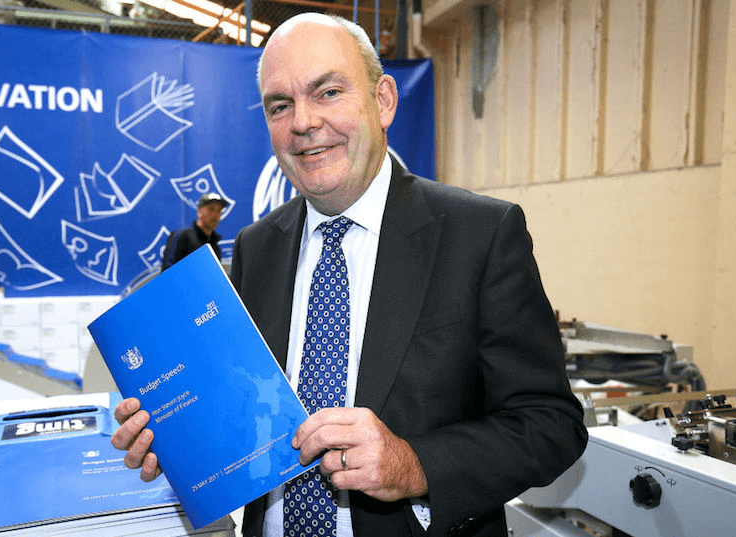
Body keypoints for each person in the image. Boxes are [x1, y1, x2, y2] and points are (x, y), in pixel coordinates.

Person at [112, 13, 587, 537]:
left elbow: (551, 425)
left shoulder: (481, 234)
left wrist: (416, 465)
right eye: (280, 105)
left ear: (383, 100)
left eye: (328, 92)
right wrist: (177, 440)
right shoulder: (255, 248)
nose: (304, 122)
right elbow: (246, 414)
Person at [161, 192, 228, 269]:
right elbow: (167, 272)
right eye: (211, 209)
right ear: (199, 211)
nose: (215, 215)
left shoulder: (215, 247)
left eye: (219, 211)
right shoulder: (182, 236)